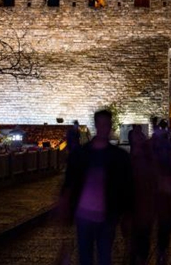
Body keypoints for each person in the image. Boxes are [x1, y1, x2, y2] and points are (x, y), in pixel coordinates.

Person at [61, 109, 134, 265]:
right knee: (85, 258)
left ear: (110, 126)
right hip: (83, 214)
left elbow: (127, 186)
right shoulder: (81, 154)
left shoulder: (119, 157)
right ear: (96, 125)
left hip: (107, 216)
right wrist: (65, 203)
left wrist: (127, 213)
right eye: (101, 124)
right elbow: (70, 181)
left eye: (106, 124)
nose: (103, 128)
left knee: (104, 257)